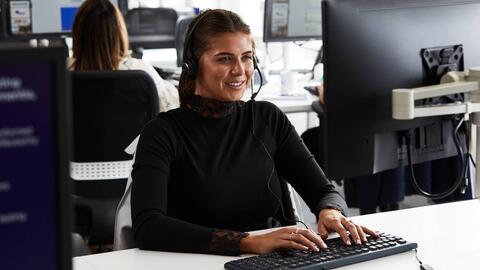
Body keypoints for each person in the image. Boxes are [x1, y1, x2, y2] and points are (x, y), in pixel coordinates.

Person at [121, 9, 377, 256]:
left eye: (246, 57)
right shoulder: (163, 133)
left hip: (276, 261)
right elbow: (148, 227)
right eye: (224, 58)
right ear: (192, 65)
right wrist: (248, 242)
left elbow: (323, 192)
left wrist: (331, 211)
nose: (240, 70)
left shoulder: (267, 118)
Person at [69, 0, 179, 112]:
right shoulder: (141, 73)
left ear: (77, 34)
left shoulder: (62, 76)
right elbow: (172, 109)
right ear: (119, 33)